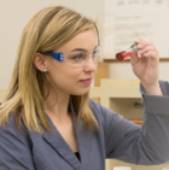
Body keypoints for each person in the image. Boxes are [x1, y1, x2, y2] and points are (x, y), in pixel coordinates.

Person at [0, 5, 169, 170]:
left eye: (93, 54)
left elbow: (156, 151)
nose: (91, 67)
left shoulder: (92, 116)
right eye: (78, 57)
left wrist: (150, 84)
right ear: (41, 62)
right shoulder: (9, 126)